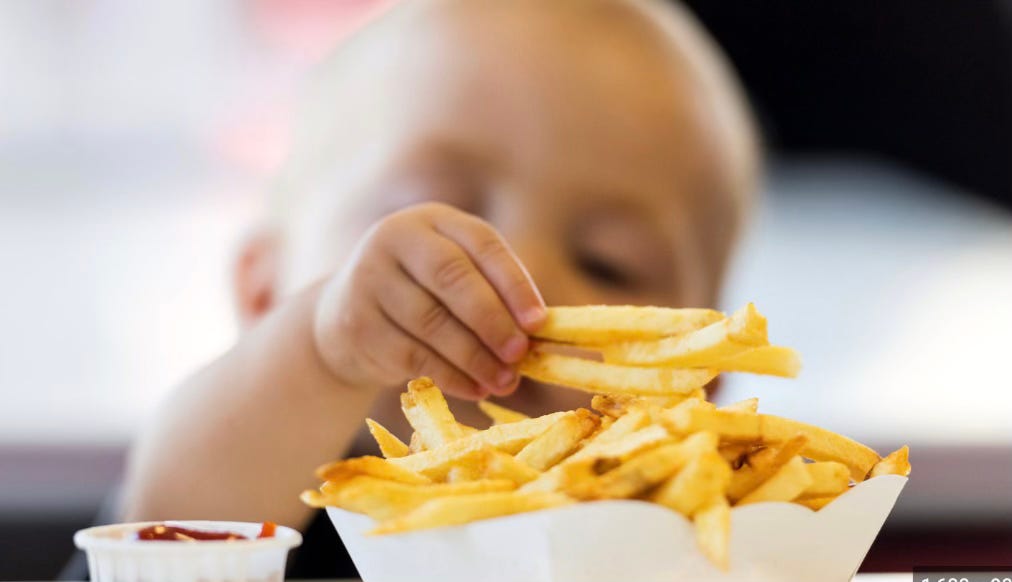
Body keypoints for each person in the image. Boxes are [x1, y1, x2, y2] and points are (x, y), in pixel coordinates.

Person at [118, 0, 759, 575]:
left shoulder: (706, 552)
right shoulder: (262, 498)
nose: (520, 276)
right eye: (429, 210)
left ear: (702, 380)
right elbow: (164, 538)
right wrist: (321, 348)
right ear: (264, 296)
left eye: (606, 263)